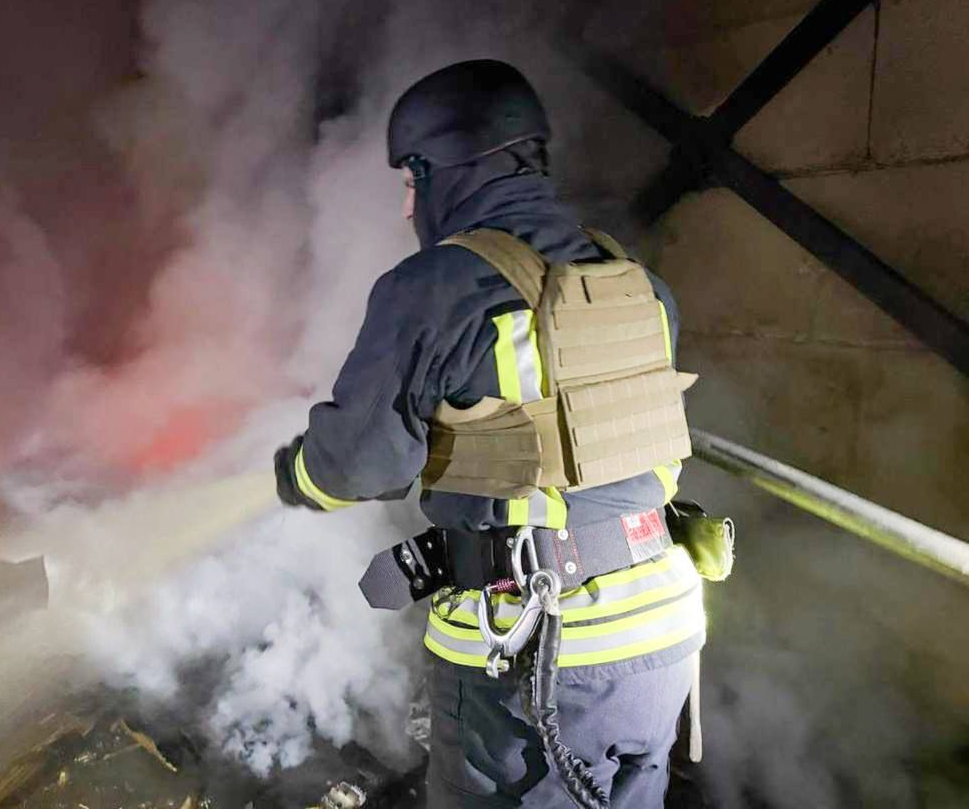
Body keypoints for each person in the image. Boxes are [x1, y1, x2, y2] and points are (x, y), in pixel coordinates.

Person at [274, 59, 705, 808]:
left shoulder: (436, 287)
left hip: (536, 655)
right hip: (664, 635)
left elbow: (359, 466)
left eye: (410, 182)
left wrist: (298, 474)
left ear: (439, 169)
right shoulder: (638, 284)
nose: (407, 208)